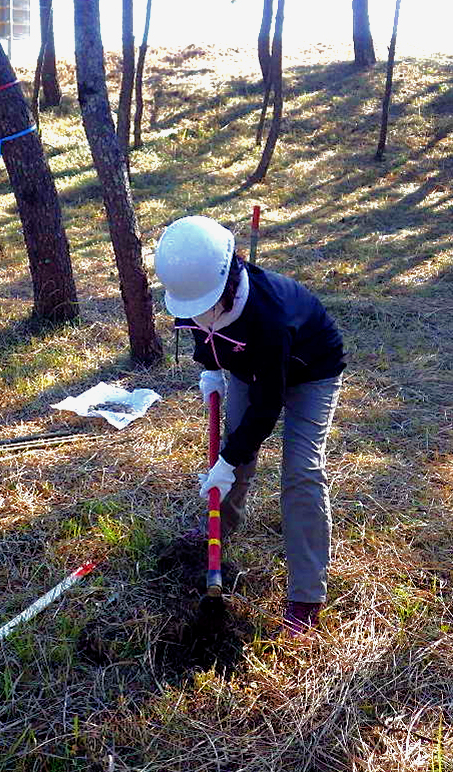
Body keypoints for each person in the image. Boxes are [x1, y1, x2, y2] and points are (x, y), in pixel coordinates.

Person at [154, 216, 346, 636]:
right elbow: (200, 335)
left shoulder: (269, 315)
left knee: (302, 472)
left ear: (224, 285)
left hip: (312, 370)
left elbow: (268, 405)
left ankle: (306, 595)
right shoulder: (194, 289)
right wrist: (209, 369)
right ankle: (217, 536)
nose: (195, 313)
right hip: (248, 367)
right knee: (234, 455)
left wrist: (226, 458)